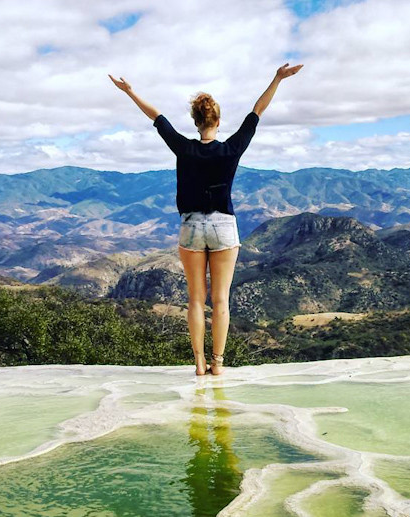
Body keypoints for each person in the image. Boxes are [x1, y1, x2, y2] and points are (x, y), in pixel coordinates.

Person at [109, 62, 304, 376]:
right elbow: (257, 113)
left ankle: (198, 363)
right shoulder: (230, 150)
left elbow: (157, 117)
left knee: (196, 300)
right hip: (224, 227)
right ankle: (218, 363)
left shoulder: (184, 149)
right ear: (217, 120)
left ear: (196, 121)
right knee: (221, 300)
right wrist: (277, 78)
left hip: (191, 226)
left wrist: (130, 91)